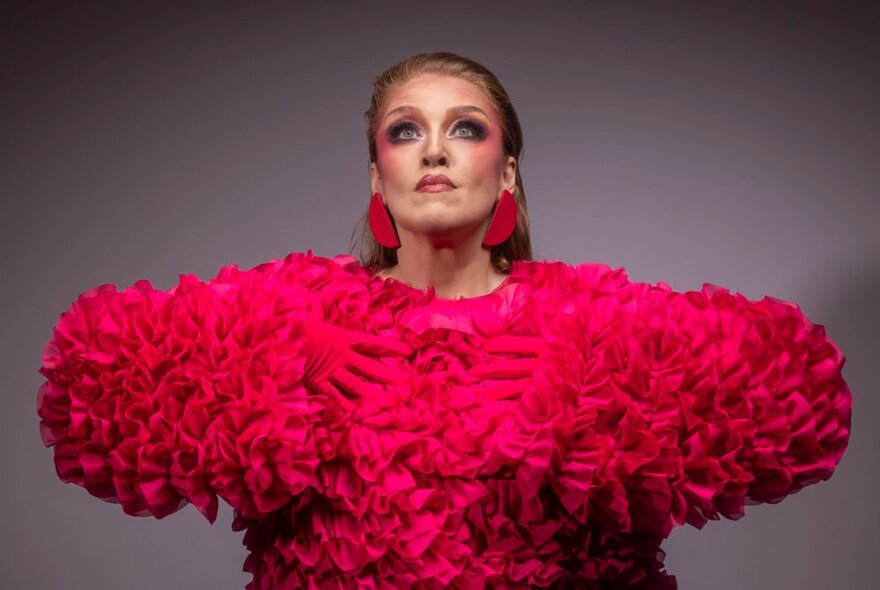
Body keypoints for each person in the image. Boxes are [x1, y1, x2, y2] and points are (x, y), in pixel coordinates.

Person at [36, 52, 853, 589]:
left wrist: (584, 379)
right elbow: (82, 384)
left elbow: (805, 399)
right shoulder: (300, 308)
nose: (435, 150)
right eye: (406, 131)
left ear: (505, 172)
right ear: (377, 172)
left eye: (466, 128)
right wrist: (272, 354)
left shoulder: (584, 316)